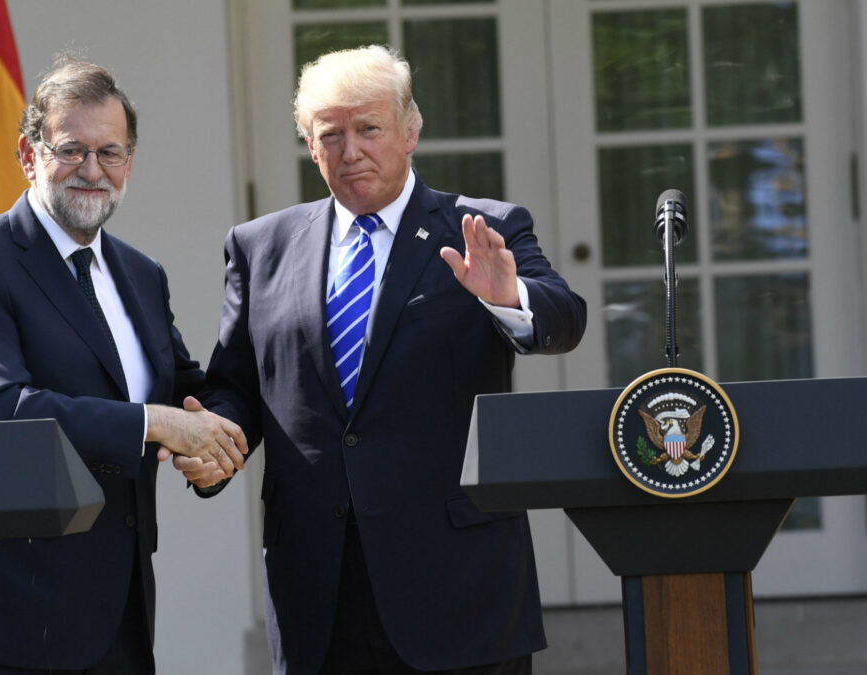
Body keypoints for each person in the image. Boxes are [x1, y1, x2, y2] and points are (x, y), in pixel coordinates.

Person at [178, 45, 587, 674]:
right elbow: (240, 384)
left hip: (457, 584)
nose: (351, 151)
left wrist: (509, 296)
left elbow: (564, 321)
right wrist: (215, 445)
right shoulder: (261, 247)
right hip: (317, 590)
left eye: (369, 129)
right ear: (310, 146)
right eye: (330, 135)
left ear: (410, 132)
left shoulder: (482, 227)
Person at [0, 55, 246, 674]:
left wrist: (216, 445)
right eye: (71, 150)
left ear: (130, 162)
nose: (92, 171)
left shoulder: (140, 274)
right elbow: (1, 410)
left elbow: (187, 391)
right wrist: (153, 425)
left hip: (123, 615)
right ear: (28, 153)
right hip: (12, 622)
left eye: (111, 153)